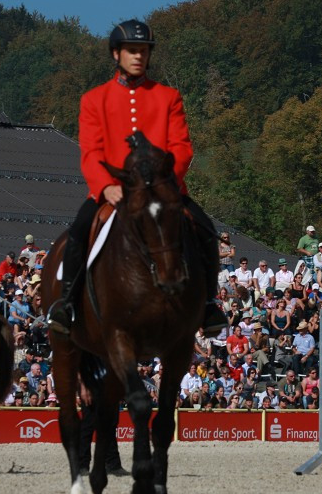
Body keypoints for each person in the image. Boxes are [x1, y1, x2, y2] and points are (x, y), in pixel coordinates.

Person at [47, 19, 227, 336]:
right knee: (77, 232)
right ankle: (67, 304)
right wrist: (105, 186)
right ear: (116, 54)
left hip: (164, 189)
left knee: (206, 229)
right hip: (113, 190)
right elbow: (90, 152)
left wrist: (165, 183)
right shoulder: (94, 99)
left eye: (143, 51)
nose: (139, 56)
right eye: (132, 50)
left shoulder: (168, 96)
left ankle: (209, 304)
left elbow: (182, 147)